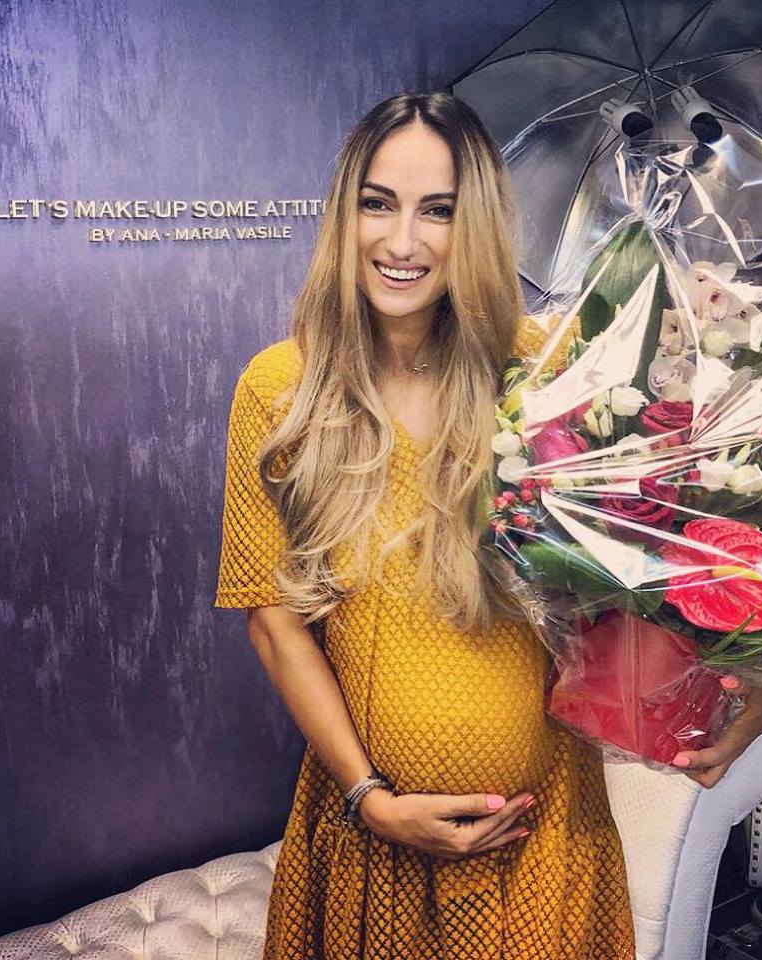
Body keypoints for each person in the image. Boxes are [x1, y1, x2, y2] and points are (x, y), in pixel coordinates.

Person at [214, 92, 636, 959]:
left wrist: (760, 680)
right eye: (379, 203)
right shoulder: (280, 389)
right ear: (345, 212)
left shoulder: (544, 375)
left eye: (437, 210)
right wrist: (370, 797)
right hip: (369, 843)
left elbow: (656, 566)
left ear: (473, 225)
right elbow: (273, 621)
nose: (402, 242)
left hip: (543, 839)